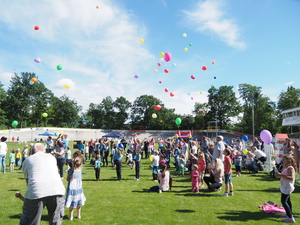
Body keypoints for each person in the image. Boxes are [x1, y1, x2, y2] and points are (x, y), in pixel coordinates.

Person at [19, 143, 65, 225]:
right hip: (57, 190)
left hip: (36, 191)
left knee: (31, 221)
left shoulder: (28, 160)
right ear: (43, 150)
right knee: (56, 221)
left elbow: (28, 181)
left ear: (32, 150)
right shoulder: (51, 157)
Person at [276, 155, 297, 223]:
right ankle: (288, 214)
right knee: (287, 201)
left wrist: (281, 175)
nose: (282, 161)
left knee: (283, 201)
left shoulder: (290, 168)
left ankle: (290, 217)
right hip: (285, 186)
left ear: (288, 160)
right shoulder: (286, 167)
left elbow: (291, 177)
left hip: (287, 187)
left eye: (284, 160)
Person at [65, 155, 86, 220]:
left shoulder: (71, 171)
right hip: (79, 188)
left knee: (71, 203)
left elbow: (67, 179)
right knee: (78, 202)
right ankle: (78, 215)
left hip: (72, 189)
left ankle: (71, 216)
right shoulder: (80, 170)